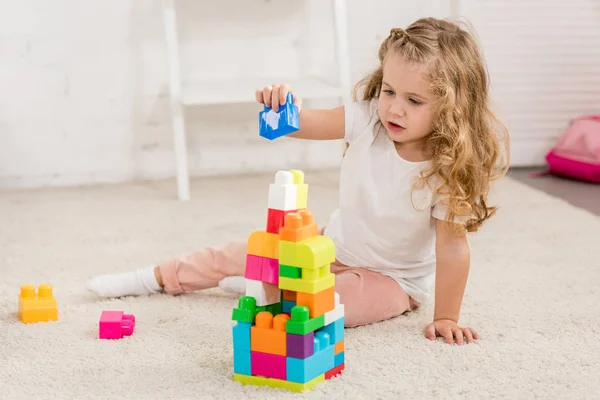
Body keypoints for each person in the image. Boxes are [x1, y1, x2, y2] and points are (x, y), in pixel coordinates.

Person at [87, 17, 509, 345]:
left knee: (317, 307)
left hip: (392, 282)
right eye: (389, 91)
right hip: (333, 246)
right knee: (245, 250)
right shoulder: (367, 119)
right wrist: (281, 107)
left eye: (413, 101)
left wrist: (446, 316)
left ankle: (259, 290)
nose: (394, 109)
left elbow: (453, 251)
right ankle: (154, 278)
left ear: (452, 110)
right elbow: (302, 123)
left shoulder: (447, 170)